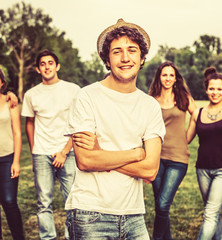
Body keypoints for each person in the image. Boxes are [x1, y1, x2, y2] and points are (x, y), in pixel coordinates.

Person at [64, 18, 166, 240]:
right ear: (107, 60)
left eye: (132, 50)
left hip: (134, 215)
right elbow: (86, 161)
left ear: (141, 59)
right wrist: (136, 153)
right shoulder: (86, 97)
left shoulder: (150, 106)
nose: (125, 57)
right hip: (89, 213)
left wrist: (102, 152)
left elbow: (150, 170)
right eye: (117, 51)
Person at [21, 49, 80, 240]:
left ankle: (73, 236)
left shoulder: (73, 90)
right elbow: (29, 122)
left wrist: (64, 151)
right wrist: (34, 149)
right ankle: (48, 237)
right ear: (38, 69)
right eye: (43, 64)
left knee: (72, 200)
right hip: (42, 153)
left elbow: (78, 124)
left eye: (50, 63)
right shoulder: (32, 94)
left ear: (57, 66)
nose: (47, 67)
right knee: (43, 202)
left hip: (67, 153)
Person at [187, 67, 222, 240]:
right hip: (202, 169)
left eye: (219, 89)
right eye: (211, 88)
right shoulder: (198, 113)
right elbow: (185, 139)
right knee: (212, 211)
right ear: (206, 89)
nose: (215, 92)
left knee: (209, 213)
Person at [148, 61, 196, 240]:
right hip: (156, 157)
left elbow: (196, 117)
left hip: (178, 159)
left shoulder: (183, 97)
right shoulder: (151, 100)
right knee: (161, 205)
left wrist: (186, 138)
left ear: (175, 79)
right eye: (164, 75)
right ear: (159, 78)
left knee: (162, 204)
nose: (167, 78)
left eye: (171, 75)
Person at [0, 68, 24, 239]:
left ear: (1, 82)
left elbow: (17, 133)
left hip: (7, 158)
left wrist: (16, 161)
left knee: (9, 202)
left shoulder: (11, 103)